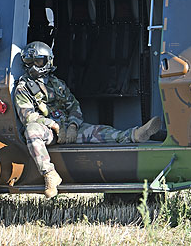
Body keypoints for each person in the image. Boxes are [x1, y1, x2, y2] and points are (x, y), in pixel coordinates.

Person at [14, 41, 161, 198]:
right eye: (29, 62)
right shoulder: (23, 88)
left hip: (69, 129)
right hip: (50, 132)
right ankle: (50, 175)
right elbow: (28, 117)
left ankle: (134, 135)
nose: (33, 66)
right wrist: (54, 126)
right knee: (31, 131)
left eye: (38, 61)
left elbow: (74, 106)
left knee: (100, 131)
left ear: (48, 61)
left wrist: (72, 126)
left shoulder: (57, 84)